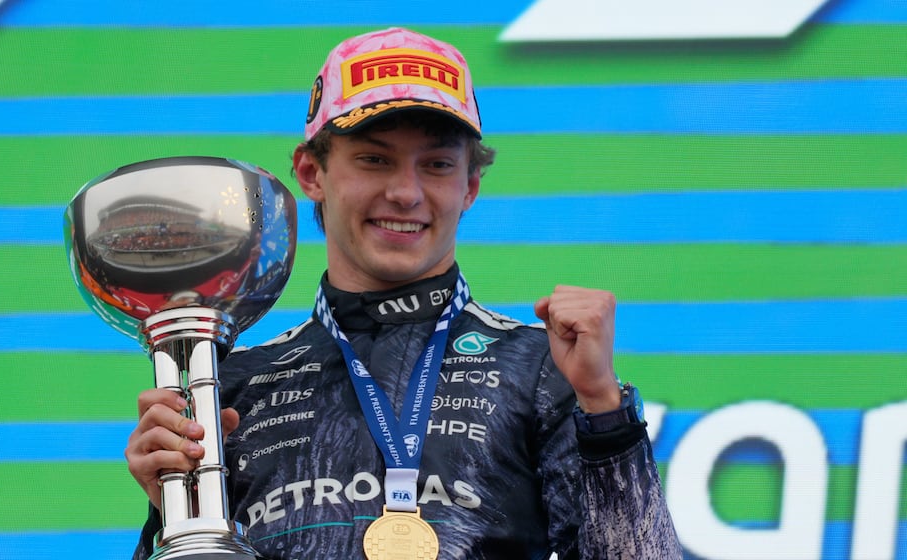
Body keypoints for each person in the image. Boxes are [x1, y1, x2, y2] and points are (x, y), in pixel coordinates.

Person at [127, 27, 682, 559]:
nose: (405, 192)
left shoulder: (543, 368)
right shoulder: (234, 385)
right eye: (375, 159)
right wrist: (173, 514)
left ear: (469, 186)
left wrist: (604, 411)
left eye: (437, 165)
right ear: (311, 172)